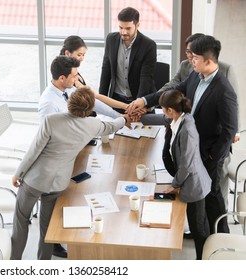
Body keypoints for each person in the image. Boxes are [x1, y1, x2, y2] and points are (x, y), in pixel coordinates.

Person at [126, 35, 238, 234]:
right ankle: (201, 234)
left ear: (209, 61)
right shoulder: (196, 75)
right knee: (201, 198)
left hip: (207, 153)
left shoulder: (224, 91)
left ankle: (222, 239)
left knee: (212, 197)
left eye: (195, 57)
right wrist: (144, 101)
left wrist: (211, 157)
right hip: (192, 148)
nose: (190, 61)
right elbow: (175, 89)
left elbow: (230, 130)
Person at [10, 86, 130, 260]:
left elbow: (33, 152)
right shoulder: (93, 124)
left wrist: (18, 174)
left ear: (69, 103)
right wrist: (124, 119)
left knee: (21, 222)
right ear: (90, 109)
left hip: (34, 181)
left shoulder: (51, 120)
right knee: (47, 228)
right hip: (58, 184)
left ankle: (14, 262)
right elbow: (112, 126)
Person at [159, 89, 211, 260]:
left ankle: (202, 261)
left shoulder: (187, 130)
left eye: (162, 109)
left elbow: (187, 165)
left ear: (170, 110)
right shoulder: (180, 119)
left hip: (194, 184)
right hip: (190, 181)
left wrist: (174, 185)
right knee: (199, 224)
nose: (162, 112)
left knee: (198, 228)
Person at [98, 6, 157, 112]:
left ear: (137, 25)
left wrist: (138, 104)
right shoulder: (111, 39)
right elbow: (106, 70)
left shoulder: (148, 45)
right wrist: (102, 101)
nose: (124, 32)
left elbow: (146, 78)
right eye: (120, 27)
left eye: (128, 28)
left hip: (138, 100)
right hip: (116, 101)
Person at [38, 55, 122, 122]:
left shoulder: (68, 89)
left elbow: (92, 102)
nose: (77, 79)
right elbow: (49, 136)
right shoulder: (48, 104)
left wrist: (118, 116)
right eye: (74, 76)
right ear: (62, 78)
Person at [60, 35, 128, 112]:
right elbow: (94, 96)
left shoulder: (71, 70)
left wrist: (125, 107)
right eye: (79, 55)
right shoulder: (69, 77)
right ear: (67, 53)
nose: (82, 58)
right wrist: (125, 107)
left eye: (83, 54)